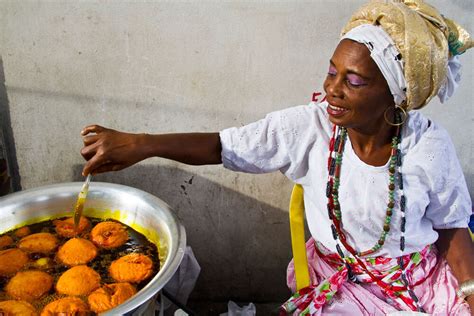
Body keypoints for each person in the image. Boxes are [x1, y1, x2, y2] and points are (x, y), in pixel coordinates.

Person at [80, 0, 473, 314]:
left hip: (418, 282)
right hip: (340, 284)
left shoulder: (428, 148)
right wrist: (142, 144)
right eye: (331, 72)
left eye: (353, 81)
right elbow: (224, 146)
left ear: (395, 94)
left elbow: (452, 229)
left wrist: (470, 291)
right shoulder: (310, 129)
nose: (331, 89)